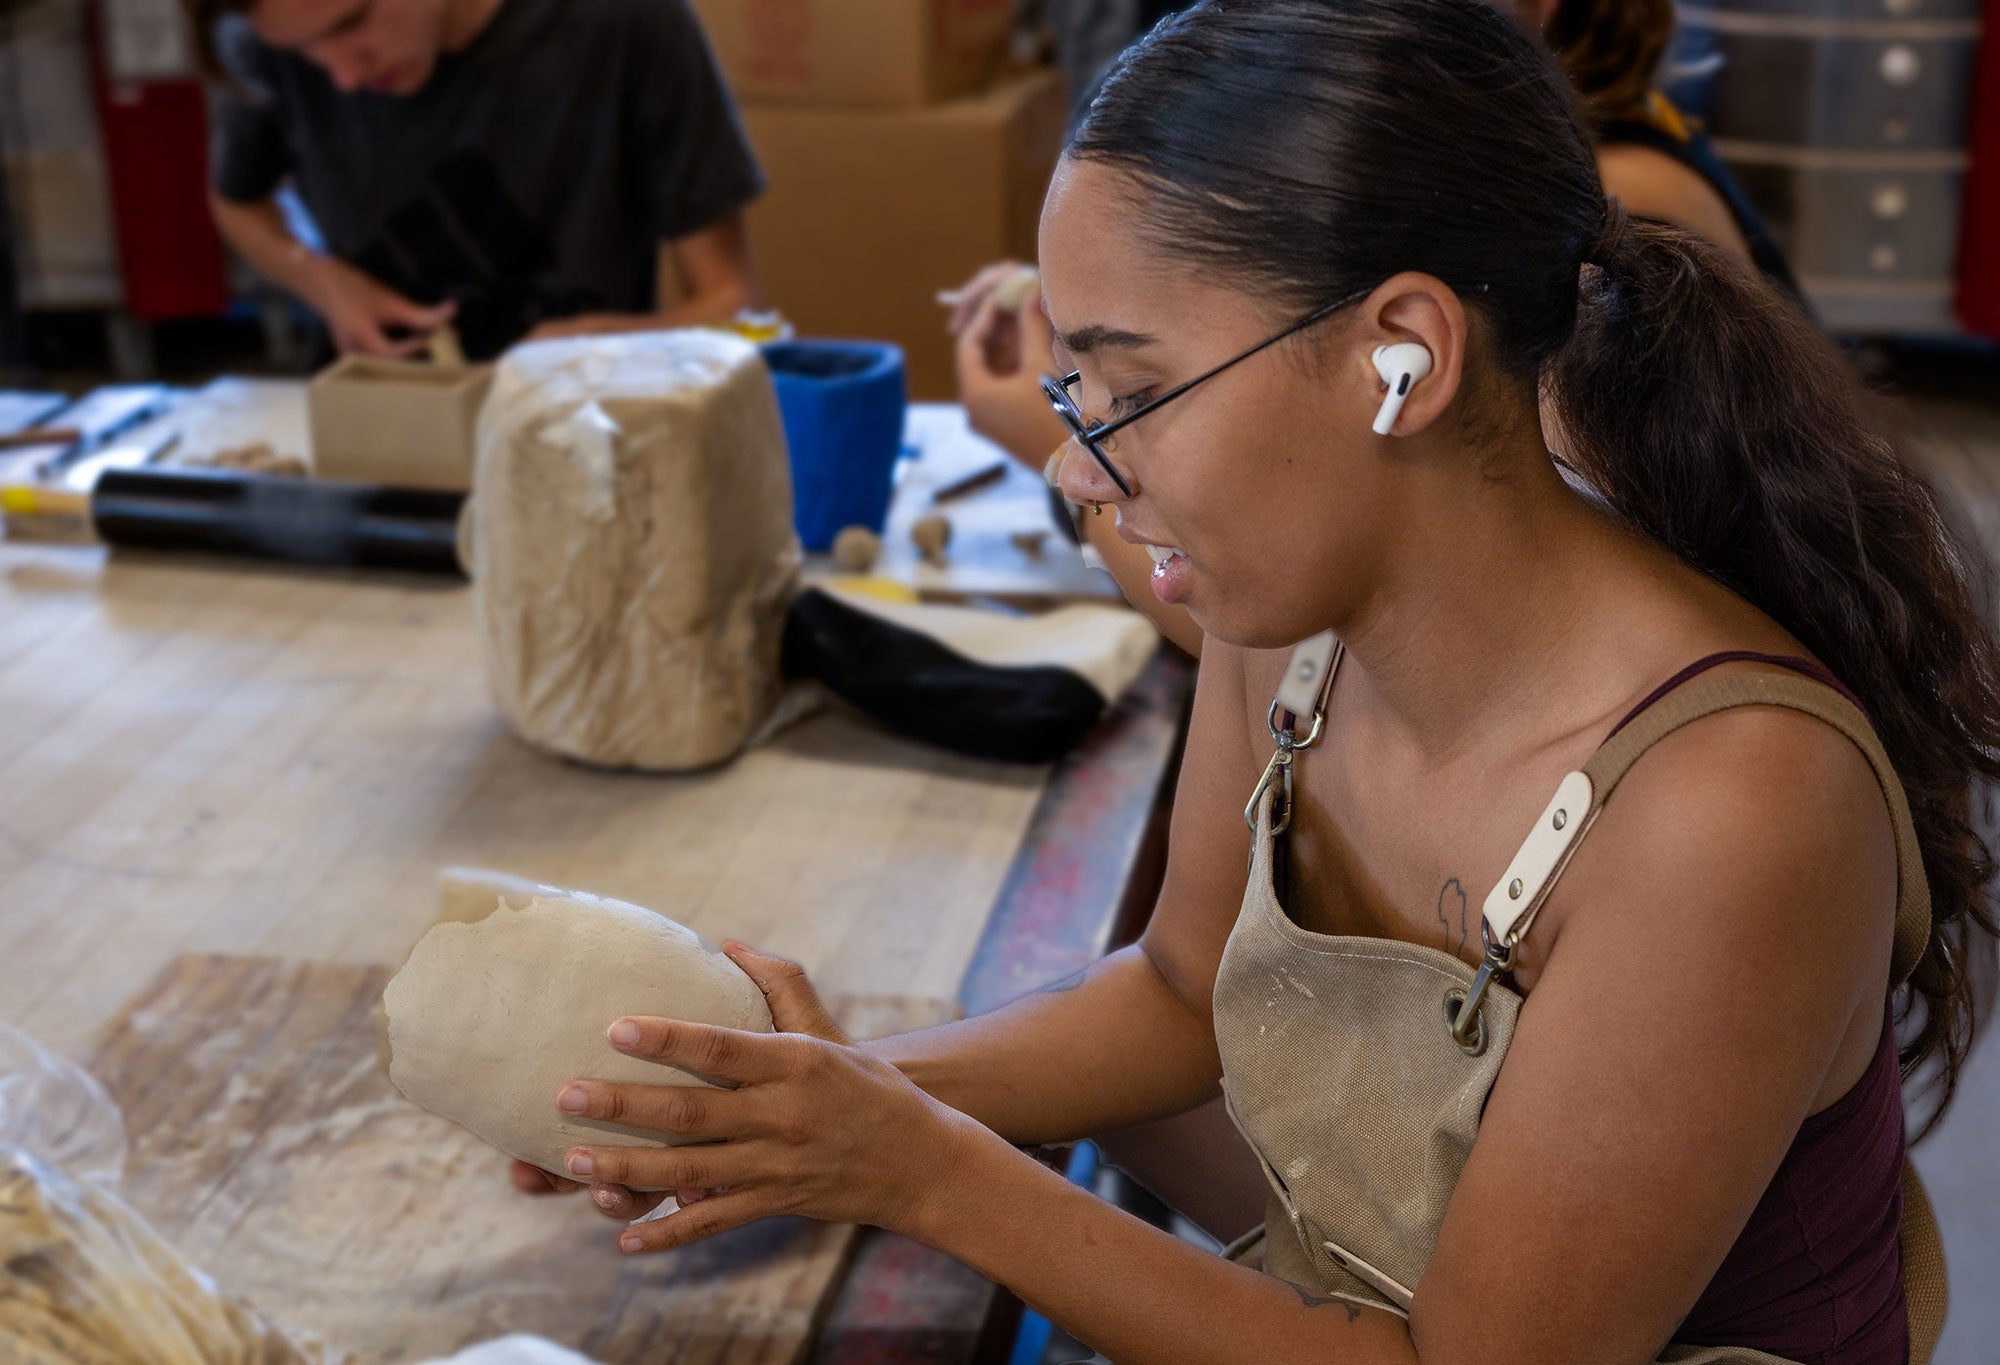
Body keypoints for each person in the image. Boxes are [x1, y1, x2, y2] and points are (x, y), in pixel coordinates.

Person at [512, 2, 2000, 1359]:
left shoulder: (1724, 811)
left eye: (1140, 391)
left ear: (1400, 357)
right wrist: (808, 1102)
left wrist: (922, 1168)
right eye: (1074, 390)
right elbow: (1178, 994)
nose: (1080, 464)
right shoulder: (1289, 602)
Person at [957, 0, 1797, 656]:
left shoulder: (1594, 232)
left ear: (1409, 357)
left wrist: (1054, 428)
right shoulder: (1308, 653)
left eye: (1139, 392)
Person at [188, 0, 762, 360]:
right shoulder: (262, 36)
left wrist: (612, 346)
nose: (343, 75)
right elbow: (237, 201)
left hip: (581, 431)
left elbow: (734, 307)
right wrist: (321, 281)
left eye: (355, 19)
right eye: (303, 51)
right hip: (376, 422)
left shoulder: (626, 23)